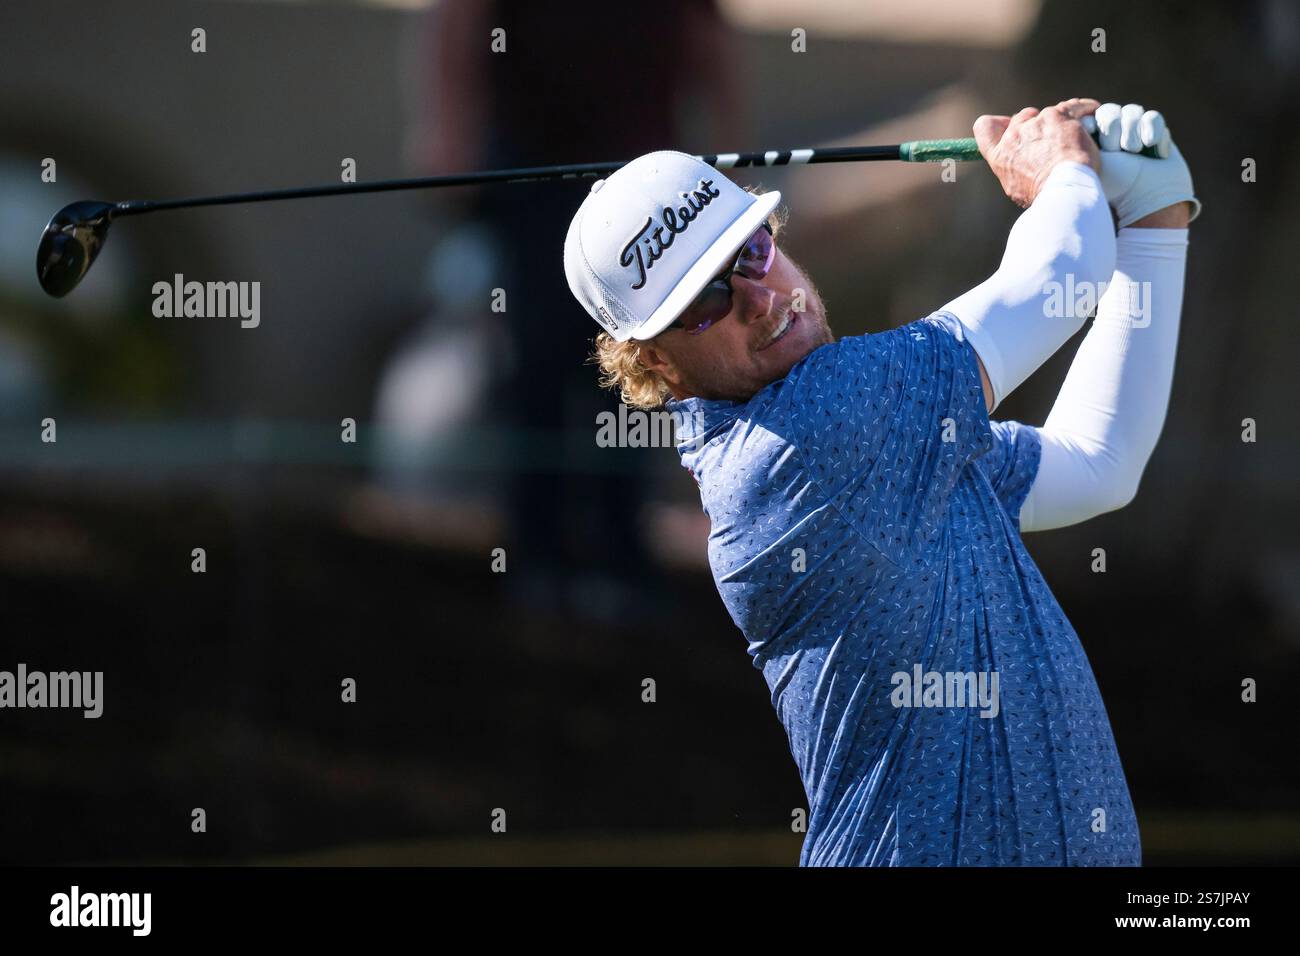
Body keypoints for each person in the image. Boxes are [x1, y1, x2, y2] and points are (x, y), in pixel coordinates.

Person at [563, 98, 1199, 865]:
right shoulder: (806, 437)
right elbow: (1060, 275)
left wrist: (1154, 224)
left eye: (752, 252)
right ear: (654, 364)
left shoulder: (900, 451)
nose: (760, 301)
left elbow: (1099, 462)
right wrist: (1059, 171)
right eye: (705, 303)